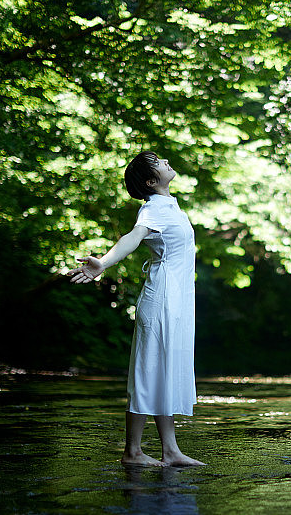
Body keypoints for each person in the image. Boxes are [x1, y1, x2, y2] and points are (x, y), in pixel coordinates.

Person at [67, 151, 205, 467]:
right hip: (162, 299)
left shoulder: (169, 205)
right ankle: (133, 451)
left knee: (164, 370)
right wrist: (103, 263)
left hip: (178, 300)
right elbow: (133, 237)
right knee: (149, 369)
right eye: (158, 163)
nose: (166, 162)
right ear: (151, 181)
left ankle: (170, 450)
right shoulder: (152, 209)